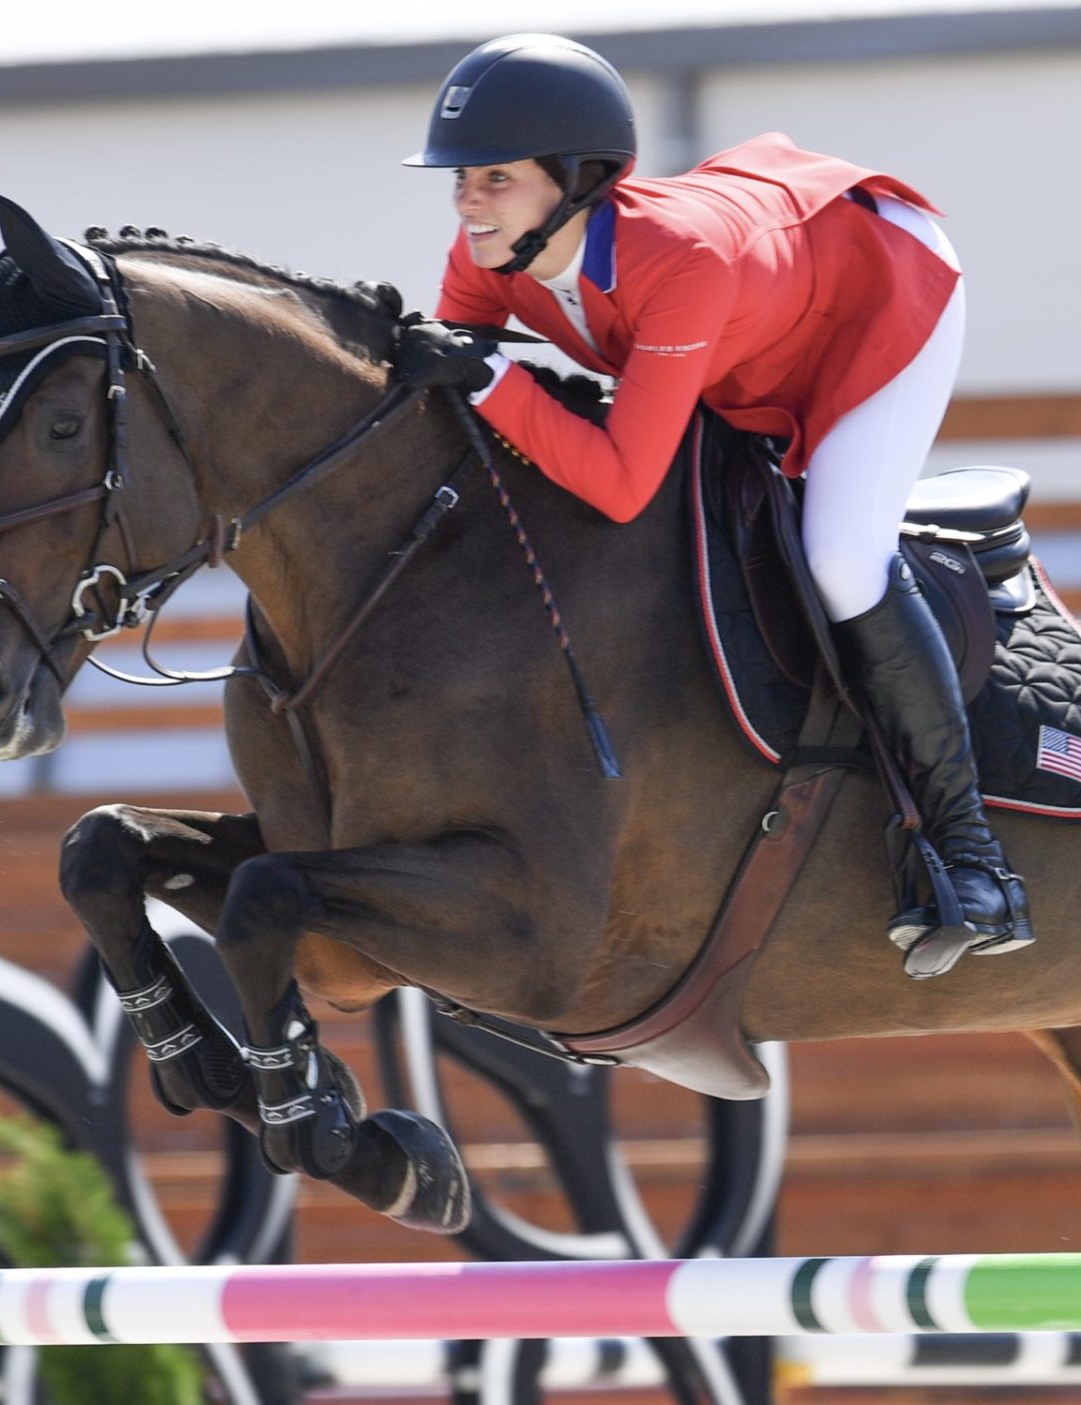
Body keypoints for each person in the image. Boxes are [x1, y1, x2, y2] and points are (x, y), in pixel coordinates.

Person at [392, 33, 1031, 979]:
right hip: (757, 318)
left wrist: (489, 376)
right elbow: (453, 391)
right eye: (460, 180)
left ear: (573, 179)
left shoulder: (679, 263)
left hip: (880, 296)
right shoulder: (489, 251)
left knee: (841, 557)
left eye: (493, 178)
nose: (466, 202)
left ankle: (969, 856)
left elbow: (615, 480)